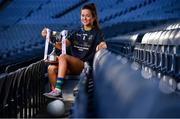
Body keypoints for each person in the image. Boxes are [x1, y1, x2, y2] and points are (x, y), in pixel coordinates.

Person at [41, 3, 107, 98]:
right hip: (71, 64)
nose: (84, 18)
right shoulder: (77, 31)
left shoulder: (97, 33)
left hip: (84, 66)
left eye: (88, 16)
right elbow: (62, 45)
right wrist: (48, 37)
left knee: (63, 57)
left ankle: (58, 89)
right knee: (51, 69)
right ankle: (58, 94)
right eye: (82, 15)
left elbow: (102, 44)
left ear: (93, 18)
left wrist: (102, 46)